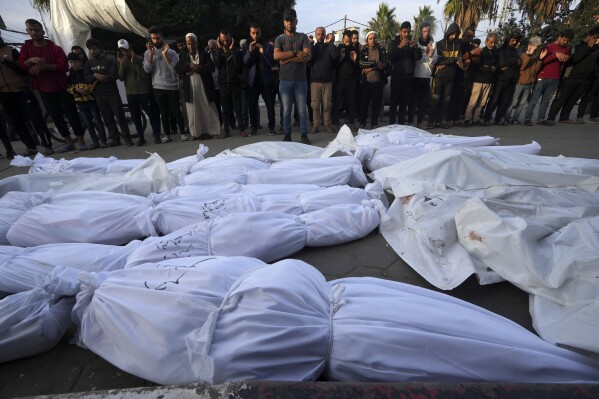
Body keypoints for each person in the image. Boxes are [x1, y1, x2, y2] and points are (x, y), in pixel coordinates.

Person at [19, 18, 86, 152]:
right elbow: (22, 67)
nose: (34, 33)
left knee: (72, 114)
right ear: (27, 31)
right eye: (30, 30)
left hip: (61, 87)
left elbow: (64, 66)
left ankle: (81, 142)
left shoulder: (55, 48)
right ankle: (69, 143)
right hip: (44, 90)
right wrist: (31, 60)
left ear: (42, 31)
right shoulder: (26, 49)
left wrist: (45, 66)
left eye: (36, 30)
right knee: (56, 117)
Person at [0, 31, 50, 155]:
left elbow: (23, 70)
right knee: (16, 122)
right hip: (4, 93)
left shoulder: (11, 50)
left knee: (35, 117)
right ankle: (31, 146)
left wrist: (7, 62)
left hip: (21, 89)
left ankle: (47, 143)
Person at [84, 38, 133, 147]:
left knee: (120, 117)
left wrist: (99, 78)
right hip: (99, 95)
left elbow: (114, 76)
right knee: (107, 118)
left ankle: (128, 139)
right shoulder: (89, 63)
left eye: (94, 49)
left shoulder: (109, 60)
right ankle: (115, 139)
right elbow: (86, 78)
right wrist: (94, 76)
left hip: (112, 93)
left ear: (99, 48)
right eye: (90, 49)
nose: (92, 51)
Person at [143, 25, 188, 143]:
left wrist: (165, 54)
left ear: (162, 37)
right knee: (163, 112)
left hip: (172, 86)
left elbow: (175, 69)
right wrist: (151, 54)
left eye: (157, 38)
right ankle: (167, 135)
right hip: (158, 86)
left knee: (176, 111)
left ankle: (183, 133)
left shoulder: (172, 52)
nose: (155, 41)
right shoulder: (147, 53)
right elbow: (147, 70)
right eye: (153, 39)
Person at [546, 26, 599, 125]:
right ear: (588, 36)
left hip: (585, 80)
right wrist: (588, 47)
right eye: (594, 38)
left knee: (572, 100)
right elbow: (575, 59)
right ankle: (551, 118)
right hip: (571, 78)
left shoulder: (596, 49)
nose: (596, 40)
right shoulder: (577, 47)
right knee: (562, 99)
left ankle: (564, 117)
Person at [274, 8, 312, 144]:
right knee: (286, 110)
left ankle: (304, 135)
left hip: (300, 80)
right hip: (285, 80)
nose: (290, 22)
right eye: (287, 20)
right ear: (284, 22)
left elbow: (307, 56)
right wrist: (296, 53)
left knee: (302, 110)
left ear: (296, 21)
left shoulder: (303, 37)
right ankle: (287, 134)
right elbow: (276, 56)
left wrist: (286, 59)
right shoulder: (279, 39)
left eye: (292, 20)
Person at [523, 29, 574, 126]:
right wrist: (555, 55)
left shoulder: (567, 49)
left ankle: (541, 119)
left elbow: (564, 63)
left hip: (555, 78)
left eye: (567, 41)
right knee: (534, 99)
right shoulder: (549, 47)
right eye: (564, 40)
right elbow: (542, 60)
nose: (565, 42)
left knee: (546, 100)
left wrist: (566, 58)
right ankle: (527, 118)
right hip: (542, 76)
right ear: (559, 37)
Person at [175, 33, 220, 140]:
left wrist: (197, 68)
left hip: (204, 87)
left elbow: (211, 68)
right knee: (192, 111)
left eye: (192, 43)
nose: (191, 46)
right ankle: (195, 133)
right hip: (190, 87)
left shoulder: (204, 53)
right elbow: (178, 68)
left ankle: (214, 131)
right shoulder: (183, 55)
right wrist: (188, 65)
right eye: (188, 44)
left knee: (209, 108)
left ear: (196, 43)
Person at [117, 39, 161, 145]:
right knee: (136, 117)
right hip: (131, 93)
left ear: (130, 49)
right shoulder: (122, 61)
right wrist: (122, 64)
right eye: (122, 50)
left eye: (126, 50)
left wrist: (133, 62)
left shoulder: (140, 59)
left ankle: (156, 136)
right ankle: (141, 138)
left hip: (143, 91)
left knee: (151, 114)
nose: (124, 52)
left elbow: (144, 75)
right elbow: (121, 78)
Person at [243, 23, 277, 136]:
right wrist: (250, 51)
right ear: (250, 33)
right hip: (252, 81)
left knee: (270, 106)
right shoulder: (246, 46)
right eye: (253, 33)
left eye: (257, 32)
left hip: (265, 80)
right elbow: (245, 63)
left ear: (260, 32)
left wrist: (264, 53)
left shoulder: (267, 45)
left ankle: (271, 127)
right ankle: (253, 127)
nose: (255, 35)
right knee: (252, 106)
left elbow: (271, 62)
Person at [483, 31, 522, 125]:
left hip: (511, 80)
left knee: (504, 102)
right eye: (512, 40)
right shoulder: (501, 50)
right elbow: (502, 63)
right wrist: (514, 62)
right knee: (494, 100)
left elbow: (519, 63)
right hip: (500, 79)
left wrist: (513, 63)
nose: (514, 43)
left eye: (515, 41)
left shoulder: (515, 51)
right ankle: (487, 119)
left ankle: (498, 119)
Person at [505, 36, 547, 124]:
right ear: (530, 45)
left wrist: (540, 59)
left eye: (537, 46)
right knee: (513, 102)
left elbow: (535, 70)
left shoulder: (535, 57)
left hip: (529, 84)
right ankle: (506, 118)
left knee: (522, 104)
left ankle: (514, 119)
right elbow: (522, 67)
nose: (536, 48)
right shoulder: (522, 55)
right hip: (519, 83)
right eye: (535, 46)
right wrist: (529, 54)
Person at [213, 29, 246, 139]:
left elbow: (239, 66)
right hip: (223, 84)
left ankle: (242, 129)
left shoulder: (236, 51)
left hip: (234, 83)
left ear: (231, 39)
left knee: (238, 108)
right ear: (220, 40)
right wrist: (218, 49)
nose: (225, 42)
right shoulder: (218, 51)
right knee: (225, 109)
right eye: (223, 40)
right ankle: (226, 130)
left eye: (227, 40)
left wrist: (232, 51)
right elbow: (217, 64)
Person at [66, 52, 104, 149]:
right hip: (80, 103)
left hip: (91, 101)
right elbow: (68, 88)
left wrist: (87, 90)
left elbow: (93, 83)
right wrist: (76, 90)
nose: (73, 64)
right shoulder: (70, 75)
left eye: (75, 62)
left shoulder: (86, 72)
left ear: (80, 62)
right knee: (88, 124)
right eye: (71, 62)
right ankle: (95, 142)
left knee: (98, 121)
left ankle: (103, 141)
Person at [428, 22, 462, 129]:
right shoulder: (440, 44)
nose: (454, 36)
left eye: (456, 34)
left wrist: (455, 60)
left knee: (446, 100)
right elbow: (438, 59)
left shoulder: (458, 45)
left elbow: (460, 58)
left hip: (451, 78)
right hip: (439, 77)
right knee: (435, 99)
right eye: (452, 34)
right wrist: (454, 60)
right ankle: (431, 121)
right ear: (448, 33)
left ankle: (439, 121)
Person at [388, 21, 422, 125]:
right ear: (400, 32)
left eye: (408, 32)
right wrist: (399, 46)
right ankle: (392, 123)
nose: (406, 34)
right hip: (396, 77)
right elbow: (390, 57)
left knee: (404, 103)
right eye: (404, 32)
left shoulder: (412, 43)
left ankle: (401, 123)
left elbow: (418, 57)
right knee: (394, 102)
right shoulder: (393, 43)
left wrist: (417, 48)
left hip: (408, 78)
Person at [464, 33, 498, 126]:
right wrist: (490, 68)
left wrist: (490, 68)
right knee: (473, 101)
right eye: (491, 42)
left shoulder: (496, 52)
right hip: (479, 79)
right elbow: (477, 66)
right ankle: (467, 118)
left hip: (489, 80)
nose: (493, 44)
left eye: (495, 42)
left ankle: (476, 118)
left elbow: (498, 66)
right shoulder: (481, 52)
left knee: (482, 102)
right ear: (486, 41)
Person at [308, 26, 338, 133]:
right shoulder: (313, 47)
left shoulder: (329, 47)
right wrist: (311, 43)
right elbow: (309, 58)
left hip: (327, 81)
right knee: (315, 105)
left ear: (325, 35)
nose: (320, 36)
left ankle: (326, 124)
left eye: (322, 34)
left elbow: (335, 57)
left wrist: (331, 43)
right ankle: (315, 125)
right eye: (318, 34)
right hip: (315, 81)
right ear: (315, 35)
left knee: (327, 105)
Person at [332, 30, 360, 129]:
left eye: (349, 41)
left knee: (351, 102)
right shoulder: (339, 48)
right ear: (343, 39)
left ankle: (352, 122)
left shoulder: (354, 49)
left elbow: (358, 67)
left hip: (351, 80)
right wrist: (341, 57)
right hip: (340, 80)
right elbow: (334, 65)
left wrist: (355, 60)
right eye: (346, 41)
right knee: (338, 102)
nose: (347, 43)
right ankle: (335, 122)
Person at [412, 23, 437, 129]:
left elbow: (434, 60)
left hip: (426, 76)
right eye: (424, 31)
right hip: (416, 75)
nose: (426, 33)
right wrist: (425, 54)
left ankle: (420, 122)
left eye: (428, 31)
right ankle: (409, 121)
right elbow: (416, 60)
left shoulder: (433, 44)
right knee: (413, 100)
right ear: (421, 32)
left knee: (423, 101)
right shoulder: (416, 43)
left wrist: (430, 55)